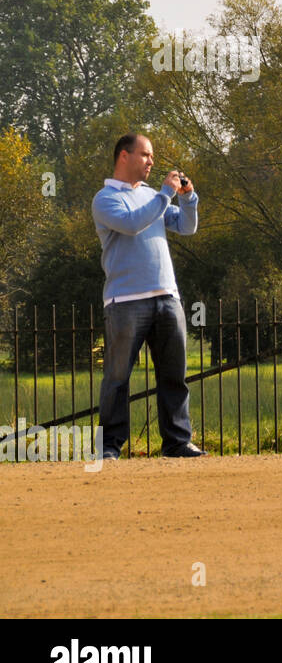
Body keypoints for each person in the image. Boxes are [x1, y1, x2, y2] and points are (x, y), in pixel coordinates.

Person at [91, 134, 205, 459]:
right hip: (125, 301)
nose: (151, 161)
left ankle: (177, 442)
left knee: (174, 375)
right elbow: (131, 224)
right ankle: (110, 447)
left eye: (152, 156)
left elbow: (186, 227)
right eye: (145, 155)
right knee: (117, 377)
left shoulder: (154, 196)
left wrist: (188, 197)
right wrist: (167, 194)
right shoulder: (105, 198)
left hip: (167, 296)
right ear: (124, 156)